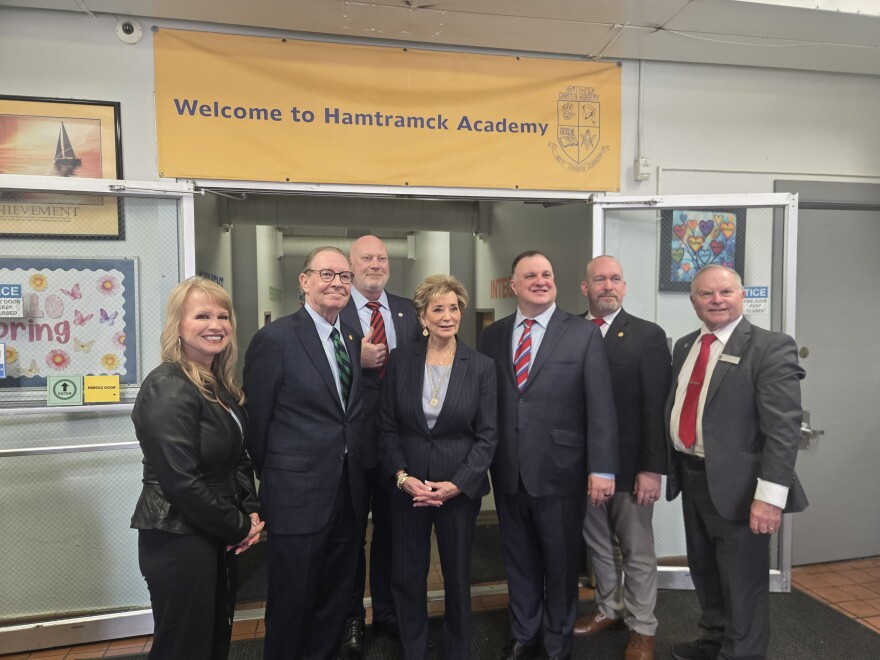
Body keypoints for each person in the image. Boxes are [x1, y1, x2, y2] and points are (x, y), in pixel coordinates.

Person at [479, 251, 619, 660]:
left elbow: (601, 405)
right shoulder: (493, 335)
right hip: (508, 470)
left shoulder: (582, 333)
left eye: (547, 274)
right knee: (518, 559)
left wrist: (602, 468)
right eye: (531, 276)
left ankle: (557, 643)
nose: (541, 281)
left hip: (562, 471)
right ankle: (525, 635)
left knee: (560, 565)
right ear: (513, 285)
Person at [666, 264, 807, 660]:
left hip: (744, 489)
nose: (716, 300)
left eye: (725, 292)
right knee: (705, 569)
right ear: (693, 301)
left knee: (742, 581)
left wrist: (770, 499)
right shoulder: (686, 346)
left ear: (741, 296)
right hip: (693, 476)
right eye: (706, 294)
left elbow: (783, 430)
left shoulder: (769, 347)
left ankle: (741, 653)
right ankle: (714, 640)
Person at [131, 276, 264, 660]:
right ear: (178, 326)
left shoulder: (215, 384)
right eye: (202, 316)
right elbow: (181, 482)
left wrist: (250, 511)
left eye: (223, 316)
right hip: (178, 537)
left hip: (213, 530)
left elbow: (237, 456)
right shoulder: (167, 386)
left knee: (212, 641)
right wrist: (238, 526)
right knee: (184, 647)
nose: (216, 325)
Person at [243, 247, 365, 660]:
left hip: (347, 495)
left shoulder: (350, 337)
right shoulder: (275, 339)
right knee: (292, 602)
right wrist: (281, 478)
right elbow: (257, 424)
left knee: (335, 597)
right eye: (327, 274)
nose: (337, 283)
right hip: (296, 498)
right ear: (304, 280)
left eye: (345, 276)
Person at [379, 274, 498, 659]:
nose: (448, 316)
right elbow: (386, 426)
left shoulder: (481, 366)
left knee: (458, 576)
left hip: (458, 492)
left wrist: (458, 484)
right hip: (408, 489)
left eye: (454, 308)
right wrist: (402, 477)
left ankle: (457, 650)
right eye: (438, 309)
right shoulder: (401, 361)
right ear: (422, 317)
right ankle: (413, 649)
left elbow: (488, 436)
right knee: (407, 575)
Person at [573, 256, 671, 660]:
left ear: (625, 287)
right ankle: (610, 609)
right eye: (599, 280)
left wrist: (652, 468)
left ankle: (643, 627)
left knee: (637, 550)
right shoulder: (570, 330)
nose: (608, 286)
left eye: (615, 279)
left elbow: (657, 407)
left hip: (631, 467)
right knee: (598, 546)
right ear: (586, 288)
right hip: (581, 466)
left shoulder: (648, 335)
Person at [338, 235, 421, 658]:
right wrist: (357, 359)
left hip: (397, 448)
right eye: (366, 257)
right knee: (352, 535)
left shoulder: (409, 311)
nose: (376, 264)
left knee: (393, 534)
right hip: (350, 447)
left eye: (382, 258)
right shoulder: (334, 309)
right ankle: (352, 618)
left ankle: (388, 612)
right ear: (351, 265)